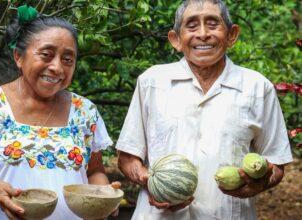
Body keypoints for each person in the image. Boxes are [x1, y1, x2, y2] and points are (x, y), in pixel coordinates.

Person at [0, 5, 119, 220]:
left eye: (68, 59)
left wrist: (103, 195)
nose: (57, 68)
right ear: (18, 57)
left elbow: (94, 172)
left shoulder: (85, 112)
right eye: (46, 55)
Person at [116, 0, 293, 219]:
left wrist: (258, 183)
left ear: (232, 35)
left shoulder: (258, 87)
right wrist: (152, 182)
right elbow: (127, 157)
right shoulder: (152, 82)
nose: (202, 34)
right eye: (191, 25)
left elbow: (276, 161)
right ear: (176, 39)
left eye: (212, 24)